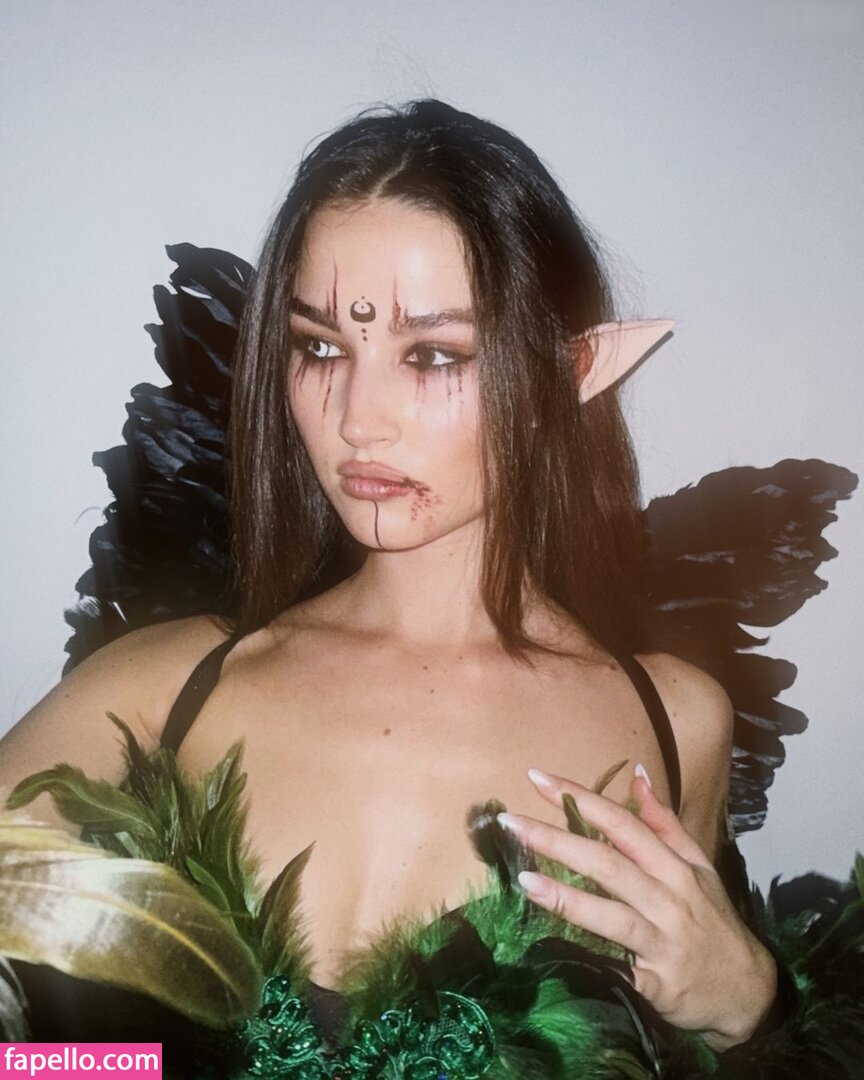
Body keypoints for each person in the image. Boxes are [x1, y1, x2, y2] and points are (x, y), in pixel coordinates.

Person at [0, 100, 781, 1061]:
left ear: (569, 371)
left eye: (434, 355)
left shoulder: (674, 726)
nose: (358, 420)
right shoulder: (156, 693)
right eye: (321, 347)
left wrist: (753, 1006)